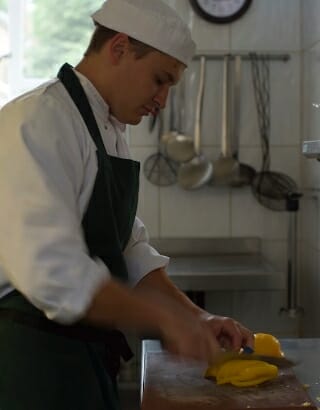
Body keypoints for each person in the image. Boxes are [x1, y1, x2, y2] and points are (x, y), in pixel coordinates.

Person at [0, 0, 254, 409]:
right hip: (29, 362)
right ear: (119, 48)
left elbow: (128, 250)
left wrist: (196, 318)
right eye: (159, 79)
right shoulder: (40, 120)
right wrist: (163, 320)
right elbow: (53, 272)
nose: (163, 101)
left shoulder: (107, 127)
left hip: (82, 359)